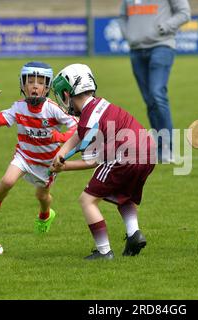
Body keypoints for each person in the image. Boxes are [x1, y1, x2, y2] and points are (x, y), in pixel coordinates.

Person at [50, 63, 156, 260]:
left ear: (68, 92)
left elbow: (93, 162)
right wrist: (61, 153)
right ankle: (134, 234)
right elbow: (79, 134)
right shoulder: (101, 104)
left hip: (125, 157)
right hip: (148, 152)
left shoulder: (88, 121)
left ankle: (104, 251)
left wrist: (64, 167)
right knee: (122, 193)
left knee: (87, 200)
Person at [0, 61, 78, 233]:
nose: (34, 87)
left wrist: (59, 136)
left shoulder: (52, 109)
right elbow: (0, 120)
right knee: (7, 181)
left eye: (40, 82)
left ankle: (45, 215)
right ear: (23, 84)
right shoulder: (19, 107)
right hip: (24, 156)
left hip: (47, 163)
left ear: (47, 87)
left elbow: (76, 127)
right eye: (30, 82)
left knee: (42, 196)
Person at [118, 0, 191, 162]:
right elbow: (122, 16)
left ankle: (168, 148)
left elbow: (184, 13)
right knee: (150, 101)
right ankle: (160, 149)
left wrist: (164, 27)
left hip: (161, 46)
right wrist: (128, 34)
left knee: (157, 94)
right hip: (136, 51)